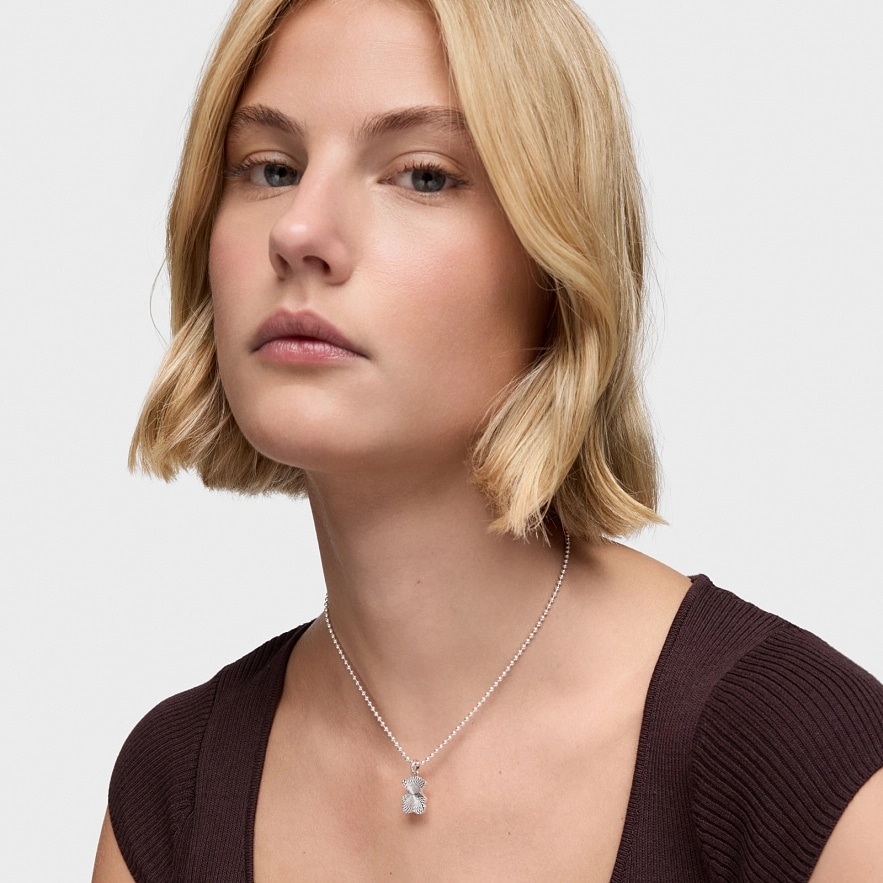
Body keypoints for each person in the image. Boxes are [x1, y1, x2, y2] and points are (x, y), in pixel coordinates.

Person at [92, 0, 883, 880]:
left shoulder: (802, 763)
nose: (299, 231)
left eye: (422, 176)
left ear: (558, 262)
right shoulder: (173, 789)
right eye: (270, 168)